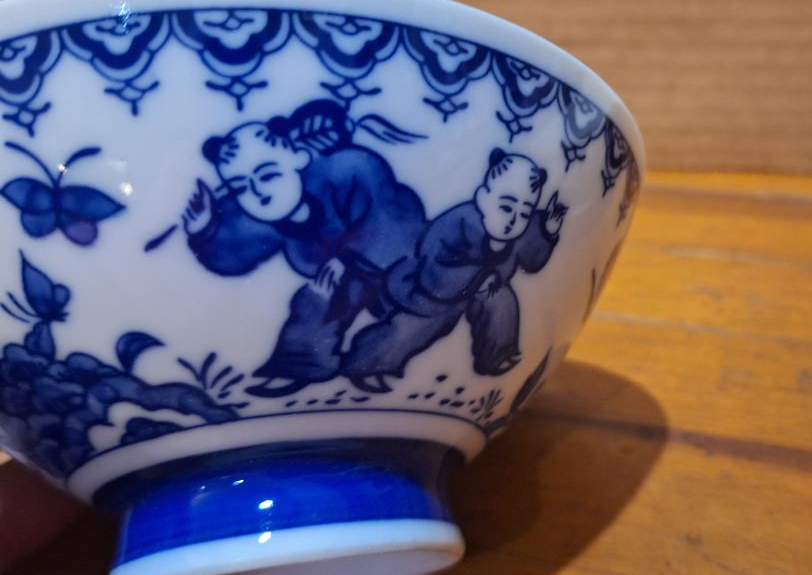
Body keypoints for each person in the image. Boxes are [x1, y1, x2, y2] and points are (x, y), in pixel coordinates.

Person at [183, 100, 426, 397]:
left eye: (268, 175)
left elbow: (390, 219)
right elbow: (235, 249)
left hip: (406, 258)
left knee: (417, 304)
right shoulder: (268, 211)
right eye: (240, 187)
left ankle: (379, 364)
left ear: (299, 157)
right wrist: (204, 229)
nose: (258, 192)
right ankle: (302, 367)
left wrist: (347, 259)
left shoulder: (349, 168)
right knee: (314, 300)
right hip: (345, 278)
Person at [343, 149, 567, 391]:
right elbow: (435, 263)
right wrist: (479, 277)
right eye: (506, 207)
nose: (513, 220)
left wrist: (547, 232)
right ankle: (366, 365)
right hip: (432, 293)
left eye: (523, 213)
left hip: (482, 290)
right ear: (483, 197)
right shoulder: (457, 223)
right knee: (413, 329)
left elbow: (531, 261)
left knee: (502, 302)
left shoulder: (517, 233)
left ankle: (496, 356)